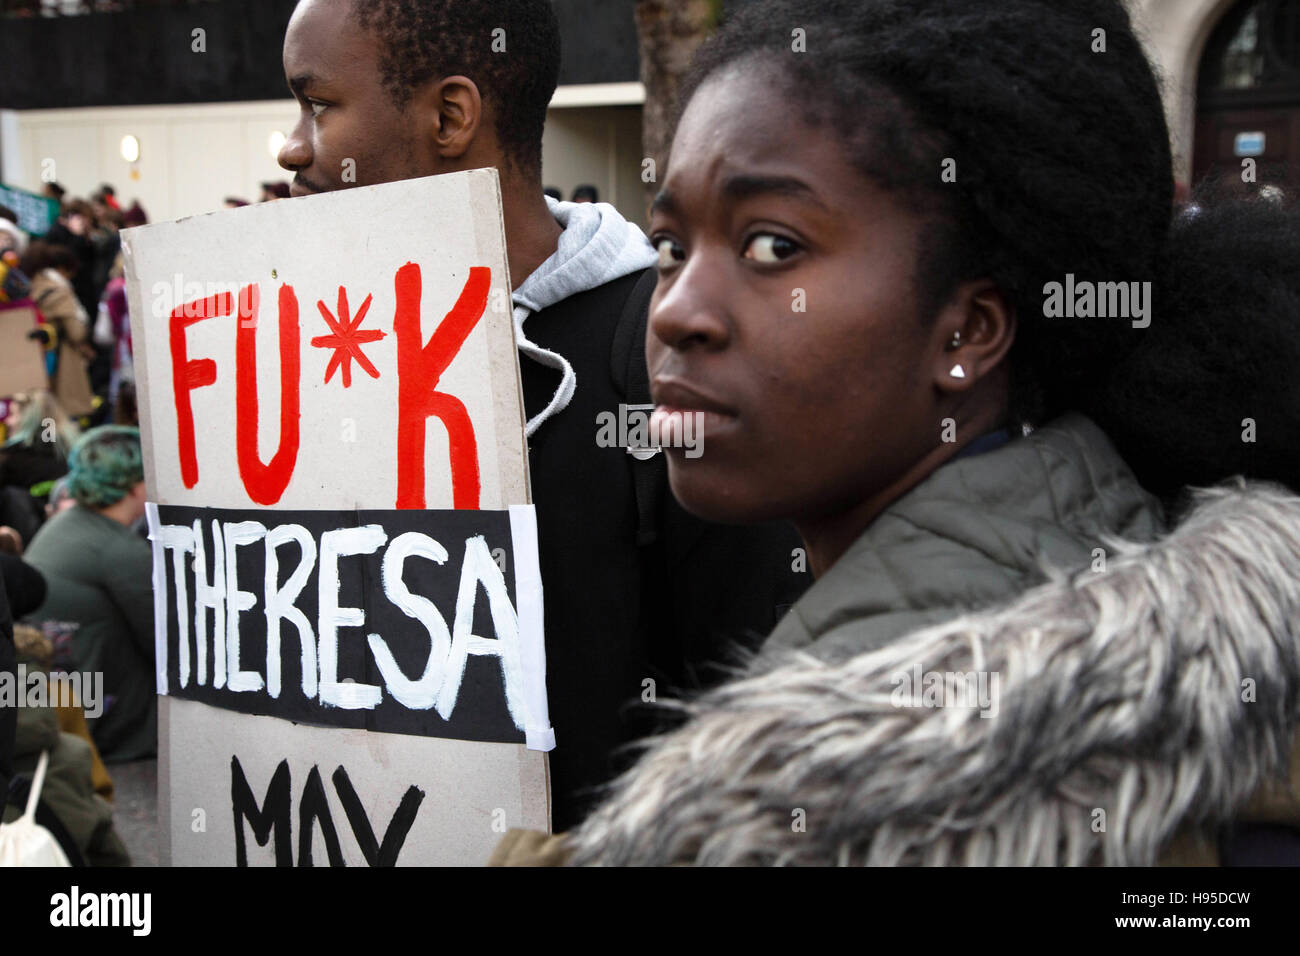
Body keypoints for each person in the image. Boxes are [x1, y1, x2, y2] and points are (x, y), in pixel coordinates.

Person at [501, 0, 1300, 865]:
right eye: (670, 247)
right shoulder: (1122, 568)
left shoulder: (844, 797)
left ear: (970, 330)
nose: (678, 311)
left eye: (772, 247)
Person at [276, 0, 806, 829]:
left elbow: (754, 722)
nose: (291, 145)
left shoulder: (666, 364)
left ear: (451, 115)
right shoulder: (307, 356)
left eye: (318, 104)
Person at [24, 426, 155, 764]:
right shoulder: (117, 550)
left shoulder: (65, 526)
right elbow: (167, 643)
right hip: (107, 721)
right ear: (136, 485)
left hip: (63, 698)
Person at [19, 242, 96, 420]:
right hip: (62, 362)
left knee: (42, 416)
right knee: (61, 416)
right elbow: (75, 333)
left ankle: (47, 442)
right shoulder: (60, 291)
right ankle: (56, 445)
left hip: (34, 362)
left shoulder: (28, 288)